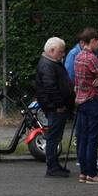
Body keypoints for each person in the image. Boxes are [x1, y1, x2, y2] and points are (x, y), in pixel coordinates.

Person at [73, 27, 98, 184]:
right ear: (93, 40)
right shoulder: (92, 58)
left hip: (81, 100)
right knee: (93, 139)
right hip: (93, 100)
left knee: (82, 138)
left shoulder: (78, 56)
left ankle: (83, 172)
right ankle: (92, 174)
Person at [35, 37, 75, 178]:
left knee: (55, 137)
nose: (63, 54)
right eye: (60, 51)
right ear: (51, 50)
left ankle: (54, 165)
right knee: (53, 138)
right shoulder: (47, 64)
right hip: (55, 108)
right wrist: (60, 105)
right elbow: (50, 88)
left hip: (57, 107)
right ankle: (52, 167)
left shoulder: (53, 62)